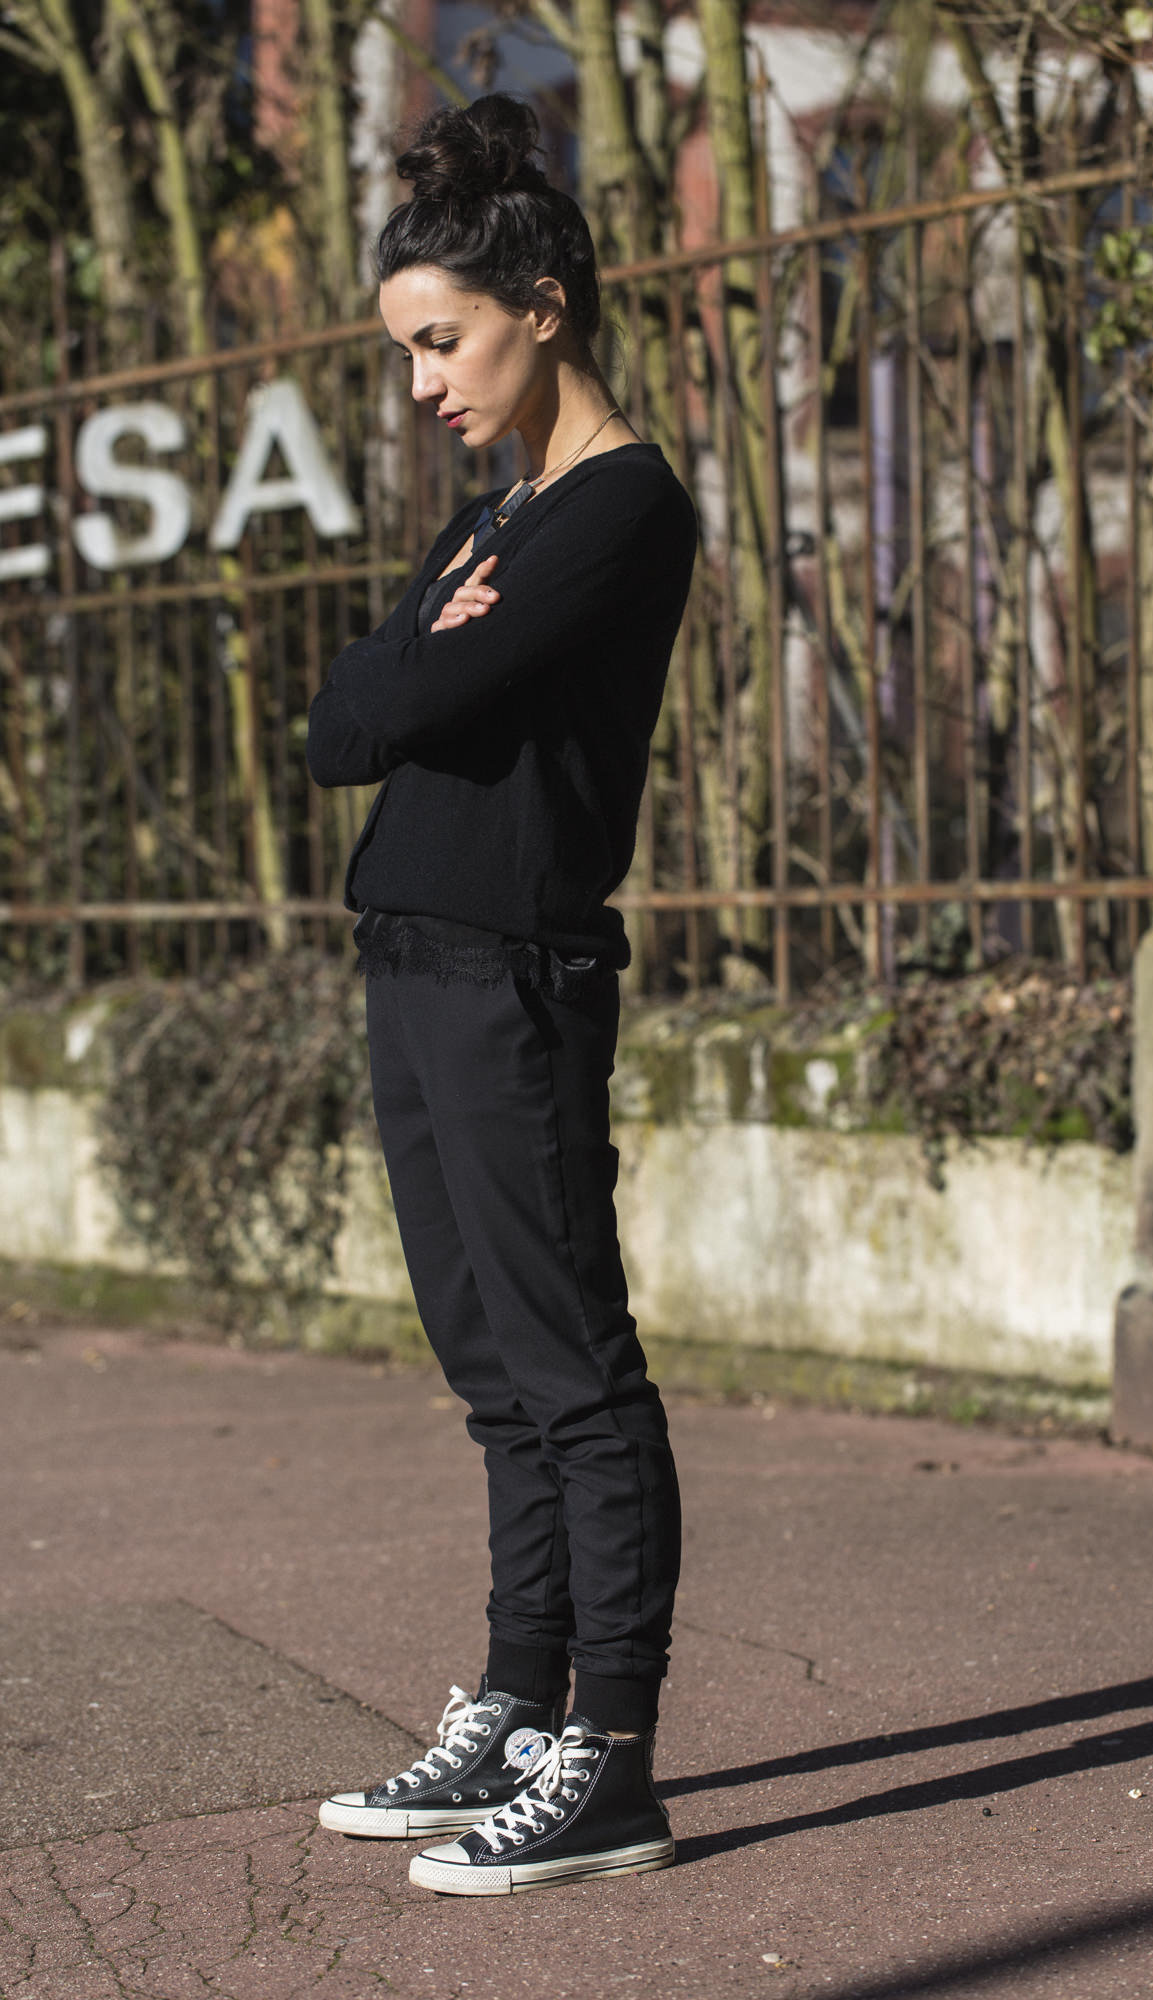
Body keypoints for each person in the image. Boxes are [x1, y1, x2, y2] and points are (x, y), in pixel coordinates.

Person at [305, 92, 696, 1897]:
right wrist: (415, 661)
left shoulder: (616, 512)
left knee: (570, 1371)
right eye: (402, 355)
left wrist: (418, 668)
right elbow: (345, 722)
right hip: (411, 957)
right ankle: (520, 1702)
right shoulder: (494, 519)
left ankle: (608, 1759)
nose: (422, 386)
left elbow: (406, 709)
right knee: (491, 1378)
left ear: (541, 302)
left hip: (514, 973)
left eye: (439, 343)